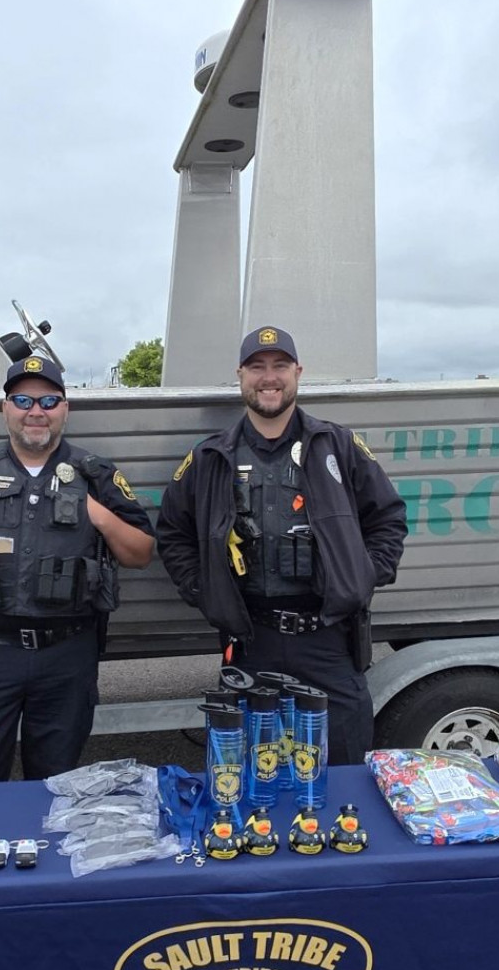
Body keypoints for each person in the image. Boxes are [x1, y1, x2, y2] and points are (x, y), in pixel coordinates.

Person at [155, 326, 408, 764]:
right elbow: (173, 533)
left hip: (328, 638)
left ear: (298, 372)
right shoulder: (212, 457)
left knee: (344, 765)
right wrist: (205, 589)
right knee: (256, 773)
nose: (268, 377)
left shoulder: (338, 445)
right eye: (257, 367)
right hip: (252, 639)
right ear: (240, 375)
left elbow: (388, 518)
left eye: (279, 366)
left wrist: (364, 576)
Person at [0, 353, 156, 782]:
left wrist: (94, 512)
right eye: (22, 401)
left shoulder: (95, 474)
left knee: (55, 785)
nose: (35, 412)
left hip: (68, 654)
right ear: (5, 408)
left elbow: (140, 552)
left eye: (48, 402)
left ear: (65, 409)